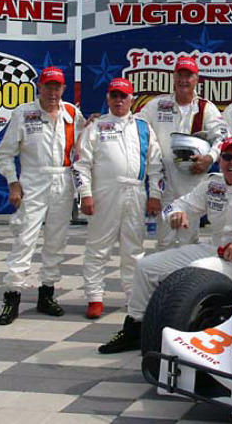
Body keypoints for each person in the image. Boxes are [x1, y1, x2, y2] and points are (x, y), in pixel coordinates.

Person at [98, 135, 232, 354]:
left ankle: (183, 333)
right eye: (227, 157)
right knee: (146, 267)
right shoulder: (213, 183)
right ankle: (136, 327)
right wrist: (175, 214)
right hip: (215, 248)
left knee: (196, 272)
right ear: (220, 160)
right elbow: (176, 206)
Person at [0, 66, 85, 325]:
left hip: (64, 182)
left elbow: (83, 148)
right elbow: (3, 154)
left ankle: (47, 294)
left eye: (57, 87)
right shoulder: (24, 113)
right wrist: (13, 183)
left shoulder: (72, 112)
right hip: (33, 182)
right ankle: (12, 296)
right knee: (24, 238)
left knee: (56, 241)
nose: (53, 92)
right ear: (39, 87)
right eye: (48, 86)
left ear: (64, 89)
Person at [72, 78, 164, 319]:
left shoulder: (144, 126)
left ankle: (134, 297)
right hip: (105, 193)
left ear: (132, 98)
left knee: (133, 250)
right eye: (115, 95)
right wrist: (85, 194)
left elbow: (155, 164)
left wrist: (155, 194)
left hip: (136, 192)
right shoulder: (96, 126)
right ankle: (94, 297)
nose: (119, 100)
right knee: (97, 247)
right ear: (108, 98)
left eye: (124, 96)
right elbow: (80, 164)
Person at [136, 55, 227, 250]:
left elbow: (222, 137)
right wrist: (100, 120)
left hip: (192, 185)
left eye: (189, 76)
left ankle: (185, 280)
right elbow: (135, 123)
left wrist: (209, 158)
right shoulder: (158, 105)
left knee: (188, 241)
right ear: (174, 77)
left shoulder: (206, 108)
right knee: (164, 241)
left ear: (196, 79)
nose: (183, 80)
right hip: (165, 183)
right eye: (180, 75)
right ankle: (164, 280)